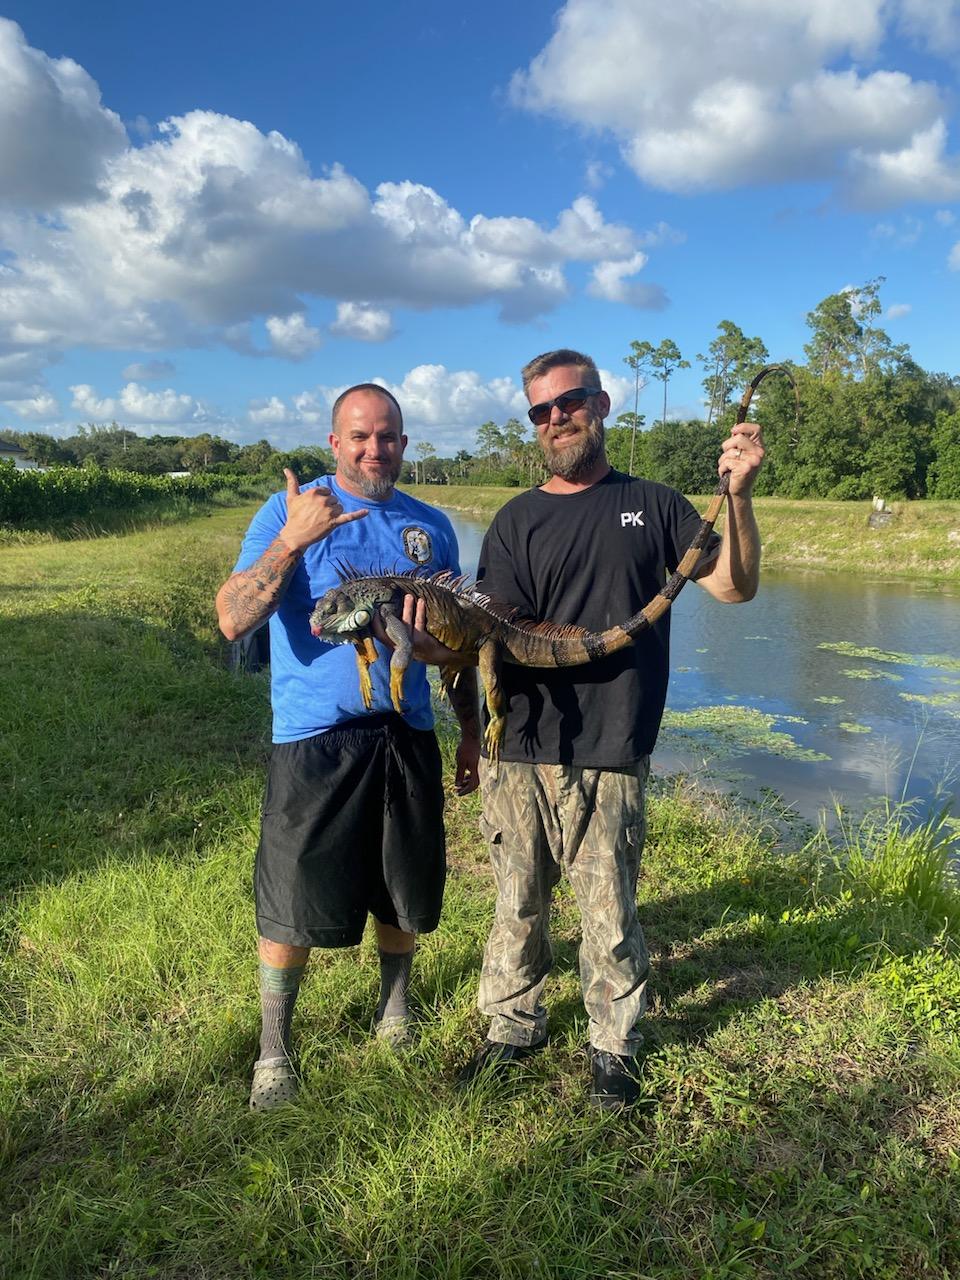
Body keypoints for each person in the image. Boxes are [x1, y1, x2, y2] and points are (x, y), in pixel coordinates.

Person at [458, 348, 765, 1108]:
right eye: (541, 410)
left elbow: (735, 586)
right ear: (532, 423)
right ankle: (509, 1027)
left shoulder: (656, 505)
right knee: (517, 901)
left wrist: (742, 496)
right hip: (520, 742)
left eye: (569, 402)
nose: (556, 418)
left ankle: (614, 1047)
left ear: (600, 404)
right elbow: (498, 629)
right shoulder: (516, 517)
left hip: (614, 741)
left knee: (609, 907)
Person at [216, 384, 480, 1111]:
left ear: (404, 439)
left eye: (389, 435)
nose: (375, 449)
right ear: (335, 443)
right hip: (315, 739)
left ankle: (395, 1010)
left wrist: (470, 733)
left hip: (408, 732)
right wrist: (293, 538)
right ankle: (275, 1047)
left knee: (404, 887)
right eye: (360, 436)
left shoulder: (432, 529)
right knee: (291, 896)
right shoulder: (289, 513)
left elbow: (454, 645)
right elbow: (233, 619)